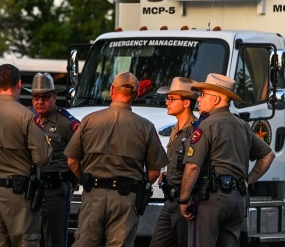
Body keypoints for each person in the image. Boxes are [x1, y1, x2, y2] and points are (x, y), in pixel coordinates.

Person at [64, 71, 169, 247]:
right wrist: (139, 184)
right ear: (135, 94)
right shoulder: (146, 127)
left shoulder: (89, 120)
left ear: (112, 90)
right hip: (126, 199)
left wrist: (84, 177)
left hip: (93, 195)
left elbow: (72, 161)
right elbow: (154, 171)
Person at [178, 73, 275, 247]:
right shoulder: (242, 126)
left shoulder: (206, 125)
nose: (198, 100)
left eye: (203, 95)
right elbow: (268, 155)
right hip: (237, 200)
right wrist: (248, 181)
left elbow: (193, 167)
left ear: (215, 99)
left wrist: (184, 199)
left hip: (210, 199)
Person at [0, 64, 52, 247]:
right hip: (19, 195)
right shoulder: (27, 116)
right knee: (25, 241)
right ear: (19, 84)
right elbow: (42, 158)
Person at [23, 72, 80, 247]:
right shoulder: (26, 118)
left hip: (56, 190)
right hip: (31, 190)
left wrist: (75, 179)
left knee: (55, 240)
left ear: (54, 97)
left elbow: (83, 152)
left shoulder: (66, 123)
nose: (40, 102)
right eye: (36, 97)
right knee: (31, 239)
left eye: (45, 97)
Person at [150, 77, 199, 247]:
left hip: (183, 202)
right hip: (170, 200)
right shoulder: (175, 129)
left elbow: (194, 166)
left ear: (186, 103)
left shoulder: (195, 131)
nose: (167, 102)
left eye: (172, 99)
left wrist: (186, 198)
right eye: (167, 98)